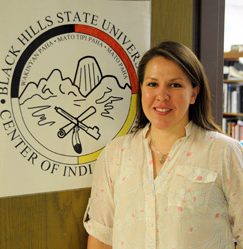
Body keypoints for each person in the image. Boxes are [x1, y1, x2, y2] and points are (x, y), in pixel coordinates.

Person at [83, 41, 243, 249]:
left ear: (194, 93)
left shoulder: (224, 152)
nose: (162, 96)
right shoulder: (115, 154)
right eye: (152, 84)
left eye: (175, 85)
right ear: (141, 89)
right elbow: (101, 237)